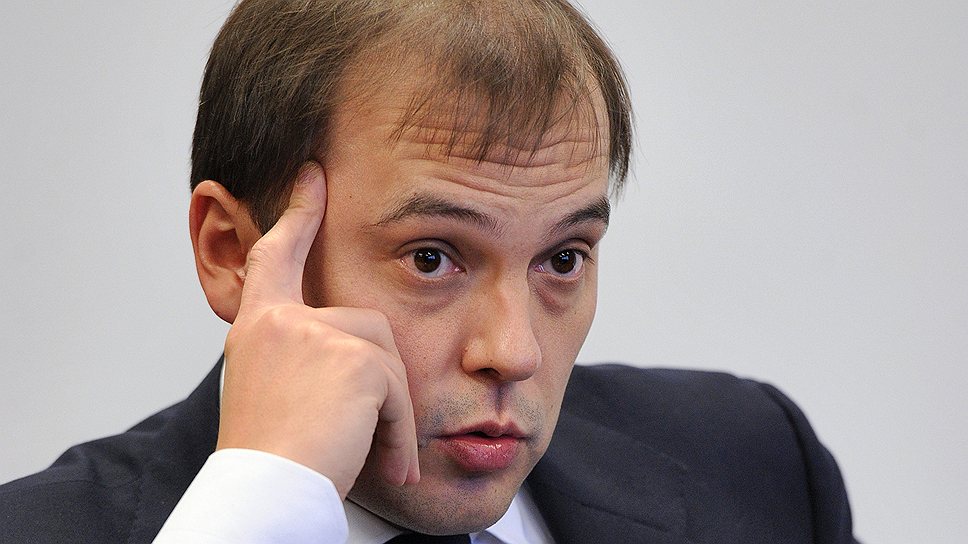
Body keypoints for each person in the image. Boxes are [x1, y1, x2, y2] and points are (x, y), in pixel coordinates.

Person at [0, 1, 858, 542]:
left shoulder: (756, 461)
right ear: (231, 252)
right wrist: (260, 510)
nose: (512, 351)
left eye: (563, 259)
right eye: (432, 258)